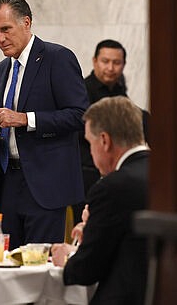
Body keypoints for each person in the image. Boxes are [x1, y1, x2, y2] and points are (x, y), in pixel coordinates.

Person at [0, 0, 89, 249]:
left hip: (45, 186)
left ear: (26, 22)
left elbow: (81, 114)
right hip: (7, 185)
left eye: (5, 29)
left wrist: (27, 119)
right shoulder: (0, 70)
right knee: (5, 267)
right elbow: (6, 126)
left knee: (38, 270)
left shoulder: (57, 58)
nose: (0, 39)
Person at [51, 96, 149, 305]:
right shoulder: (171, 176)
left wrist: (67, 261)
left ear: (104, 141)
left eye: (89, 144)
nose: (91, 155)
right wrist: (93, 229)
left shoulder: (112, 187)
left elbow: (87, 270)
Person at [74, 39, 149, 224]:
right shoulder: (81, 90)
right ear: (94, 61)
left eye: (116, 63)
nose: (110, 68)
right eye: (105, 61)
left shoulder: (120, 92)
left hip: (119, 173)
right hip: (87, 173)